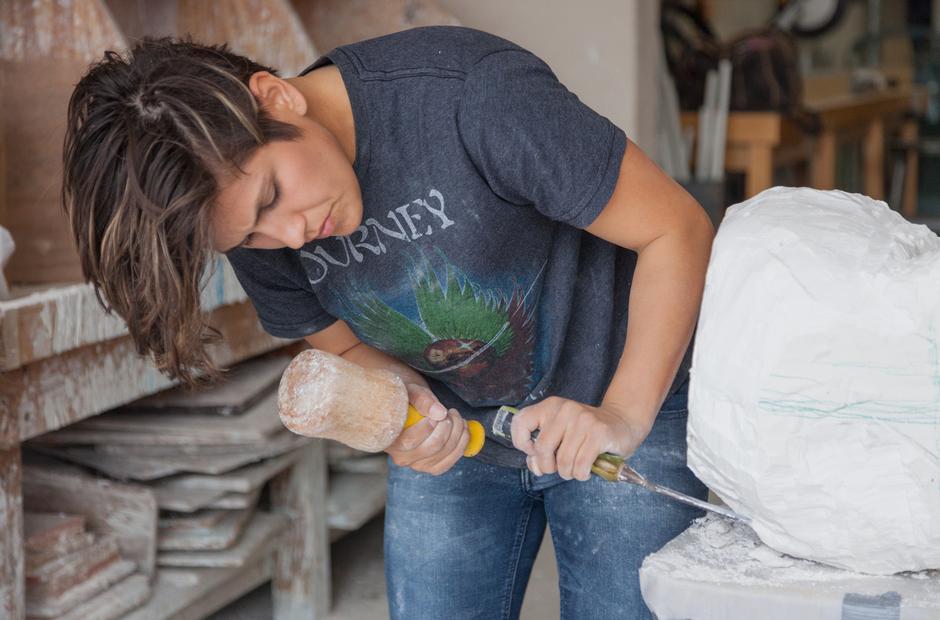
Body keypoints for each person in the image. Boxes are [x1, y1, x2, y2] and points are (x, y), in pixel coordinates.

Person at [63, 26, 713, 619]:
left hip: (624, 393)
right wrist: (404, 409)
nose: (290, 235)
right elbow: (341, 341)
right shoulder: (252, 228)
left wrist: (624, 414)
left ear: (275, 98)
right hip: (461, 433)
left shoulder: (473, 97)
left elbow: (675, 229)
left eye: (272, 197)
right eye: (251, 234)